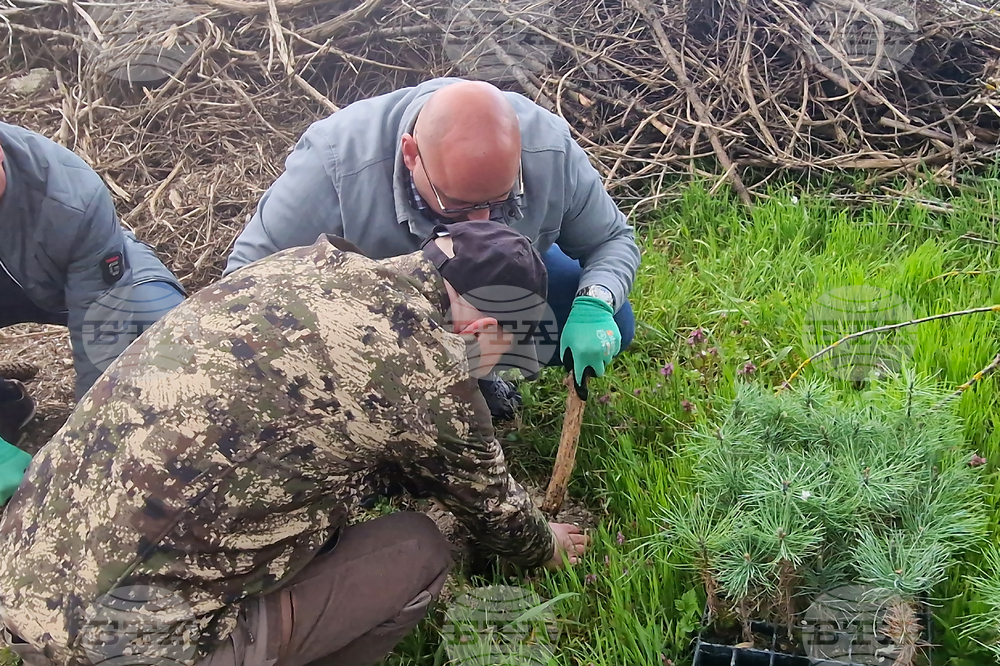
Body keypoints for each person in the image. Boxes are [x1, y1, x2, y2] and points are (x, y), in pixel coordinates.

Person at [0, 220, 592, 666]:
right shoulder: (428, 375)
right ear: (482, 328)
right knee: (419, 548)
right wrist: (549, 545)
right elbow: (498, 518)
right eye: (501, 354)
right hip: (124, 646)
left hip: (23, 583)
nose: (492, 372)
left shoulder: (299, 268)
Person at [223, 77, 641, 419]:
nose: (481, 227)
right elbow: (242, 284)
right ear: (410, 155)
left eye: (499, 204)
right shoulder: (335, 162)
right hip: (372, 322)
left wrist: (595, 304)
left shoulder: (547, 146)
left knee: (615, 319)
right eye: (457, 206)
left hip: (480, 305)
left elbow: (611, 239)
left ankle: (479, 373)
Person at [0, 121, 186, 443]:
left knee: (169, 338)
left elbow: (102, 326)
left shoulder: (71, 196)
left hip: (86, 279)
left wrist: (87, 439)